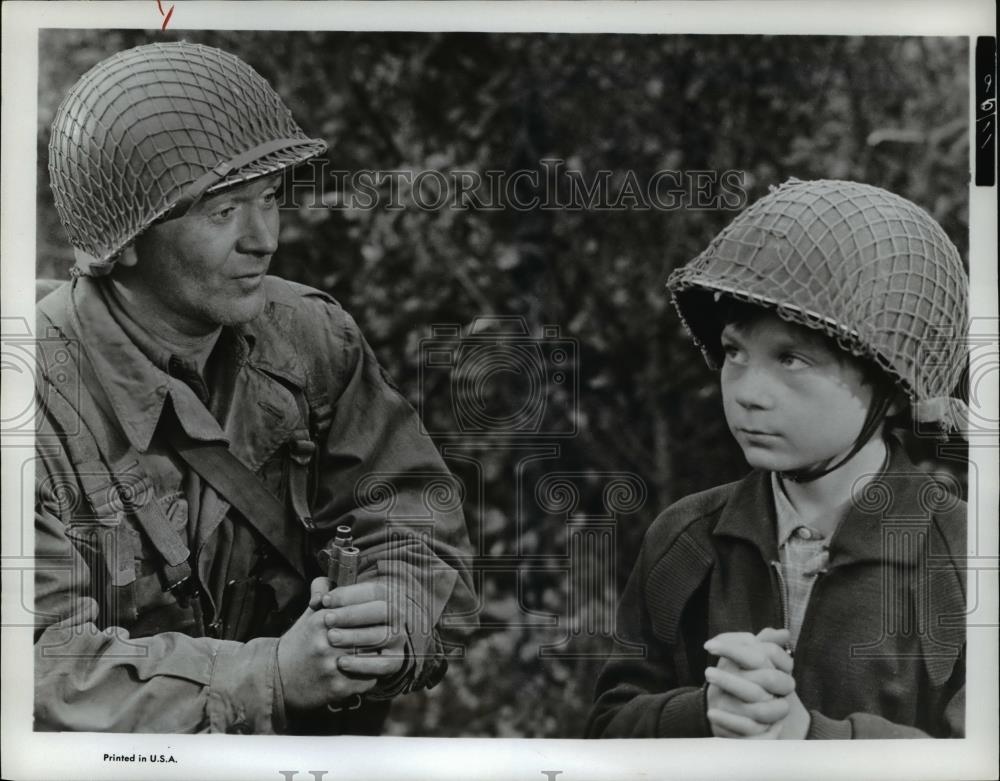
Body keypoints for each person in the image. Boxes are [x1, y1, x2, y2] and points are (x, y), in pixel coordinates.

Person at [34, 41, 476, 734]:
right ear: (125, 240)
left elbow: (414, 514)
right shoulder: (31, 407)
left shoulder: (308, 337)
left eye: (269, 198)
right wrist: (267, 679)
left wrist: (396, 611)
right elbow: (39, 666)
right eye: (223, 212)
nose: (264, 238)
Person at [586, 178, 968, 739]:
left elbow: (981, 759)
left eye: (791, 359)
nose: (748, 392)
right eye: (735, 353)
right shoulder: (686, 538)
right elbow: (609, 728)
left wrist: (806, 737)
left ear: (890, 388)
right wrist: (705, 712)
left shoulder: (965, 554)